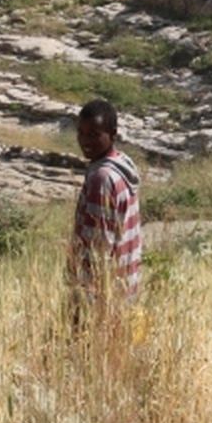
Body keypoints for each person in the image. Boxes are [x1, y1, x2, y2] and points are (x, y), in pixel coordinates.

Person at [66, 98, 143, 320]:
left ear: (113, 134)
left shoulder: (102, 178)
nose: (85, 141)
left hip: (103, 295)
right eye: (81, 133)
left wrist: (82, 296)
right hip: (126, 284)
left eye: (94, 135)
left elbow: (98, 246)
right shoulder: (123, 164)